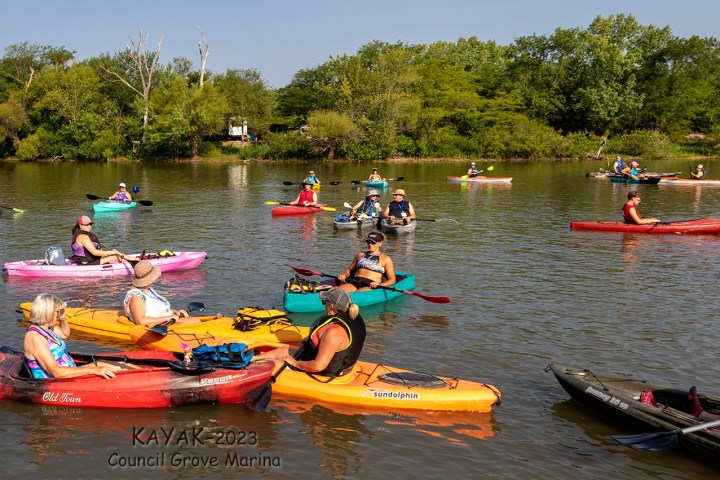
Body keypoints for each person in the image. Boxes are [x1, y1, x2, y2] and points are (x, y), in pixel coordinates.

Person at [254, 288, 366, 376]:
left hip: (326, 372)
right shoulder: (351, 316)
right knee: (284, 350)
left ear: (331, 307)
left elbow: (318, 366)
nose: (324, 306)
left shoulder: (334, 332)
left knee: (268, 364)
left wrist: (295, 363)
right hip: (339, 364)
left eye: (324, 303)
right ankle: (254, 358)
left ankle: (251, 364)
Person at [23, 293, 121, 379]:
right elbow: (56, 372)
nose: (58, 315)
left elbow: (65, 334)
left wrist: (63, 319)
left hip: (70, 372)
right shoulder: (35, 338)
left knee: (117, 366)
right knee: (106, 370)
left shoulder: (47, 328)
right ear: (48, 312)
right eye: (57, 312)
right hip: (58, 382)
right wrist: (92, 370)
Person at [124, 260, 201, 326]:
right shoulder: (136, 297)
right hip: (157, 326)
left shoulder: (148, 290)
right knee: (196, 321)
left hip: (166, 320)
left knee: (196, 320)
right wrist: (167, 318)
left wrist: (175, 312)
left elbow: (155, 310)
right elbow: (140, 321)